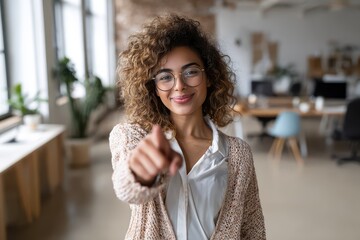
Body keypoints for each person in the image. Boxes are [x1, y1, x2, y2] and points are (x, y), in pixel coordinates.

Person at [110, 14, 266, 240]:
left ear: (209, 77)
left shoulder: (238, 155)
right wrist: (140, 174)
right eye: (165, 77)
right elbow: (126, 188)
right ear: (153, 87)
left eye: (191, 72)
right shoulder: (132, 136)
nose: (180, 86)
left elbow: (253, 229)